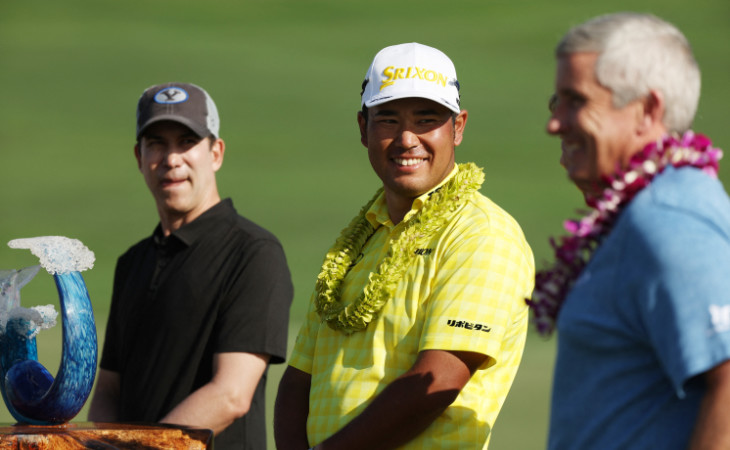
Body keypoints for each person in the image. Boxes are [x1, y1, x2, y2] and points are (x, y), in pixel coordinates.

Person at [274, 43, 535, 449]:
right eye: (388, 119)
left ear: (458, 127)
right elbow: (298, 380)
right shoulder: (357, 240)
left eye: (427, 119)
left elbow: (438, 381)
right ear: (363, 128)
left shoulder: (482, 233)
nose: (407, 138)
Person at [530, 12, 730, 449]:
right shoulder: (652, 207)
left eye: (576, 100)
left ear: (647, 110)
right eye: (555, 103)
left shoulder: (668, 216)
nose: (554, 123)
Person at [88, 82, 294, 449]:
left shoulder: (253, 252)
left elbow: (231, 395)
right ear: (139, 157)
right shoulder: (133, 262)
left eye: (186, 142)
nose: (171, 159)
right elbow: (108, 388)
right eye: (157, 144)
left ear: (215, 153)